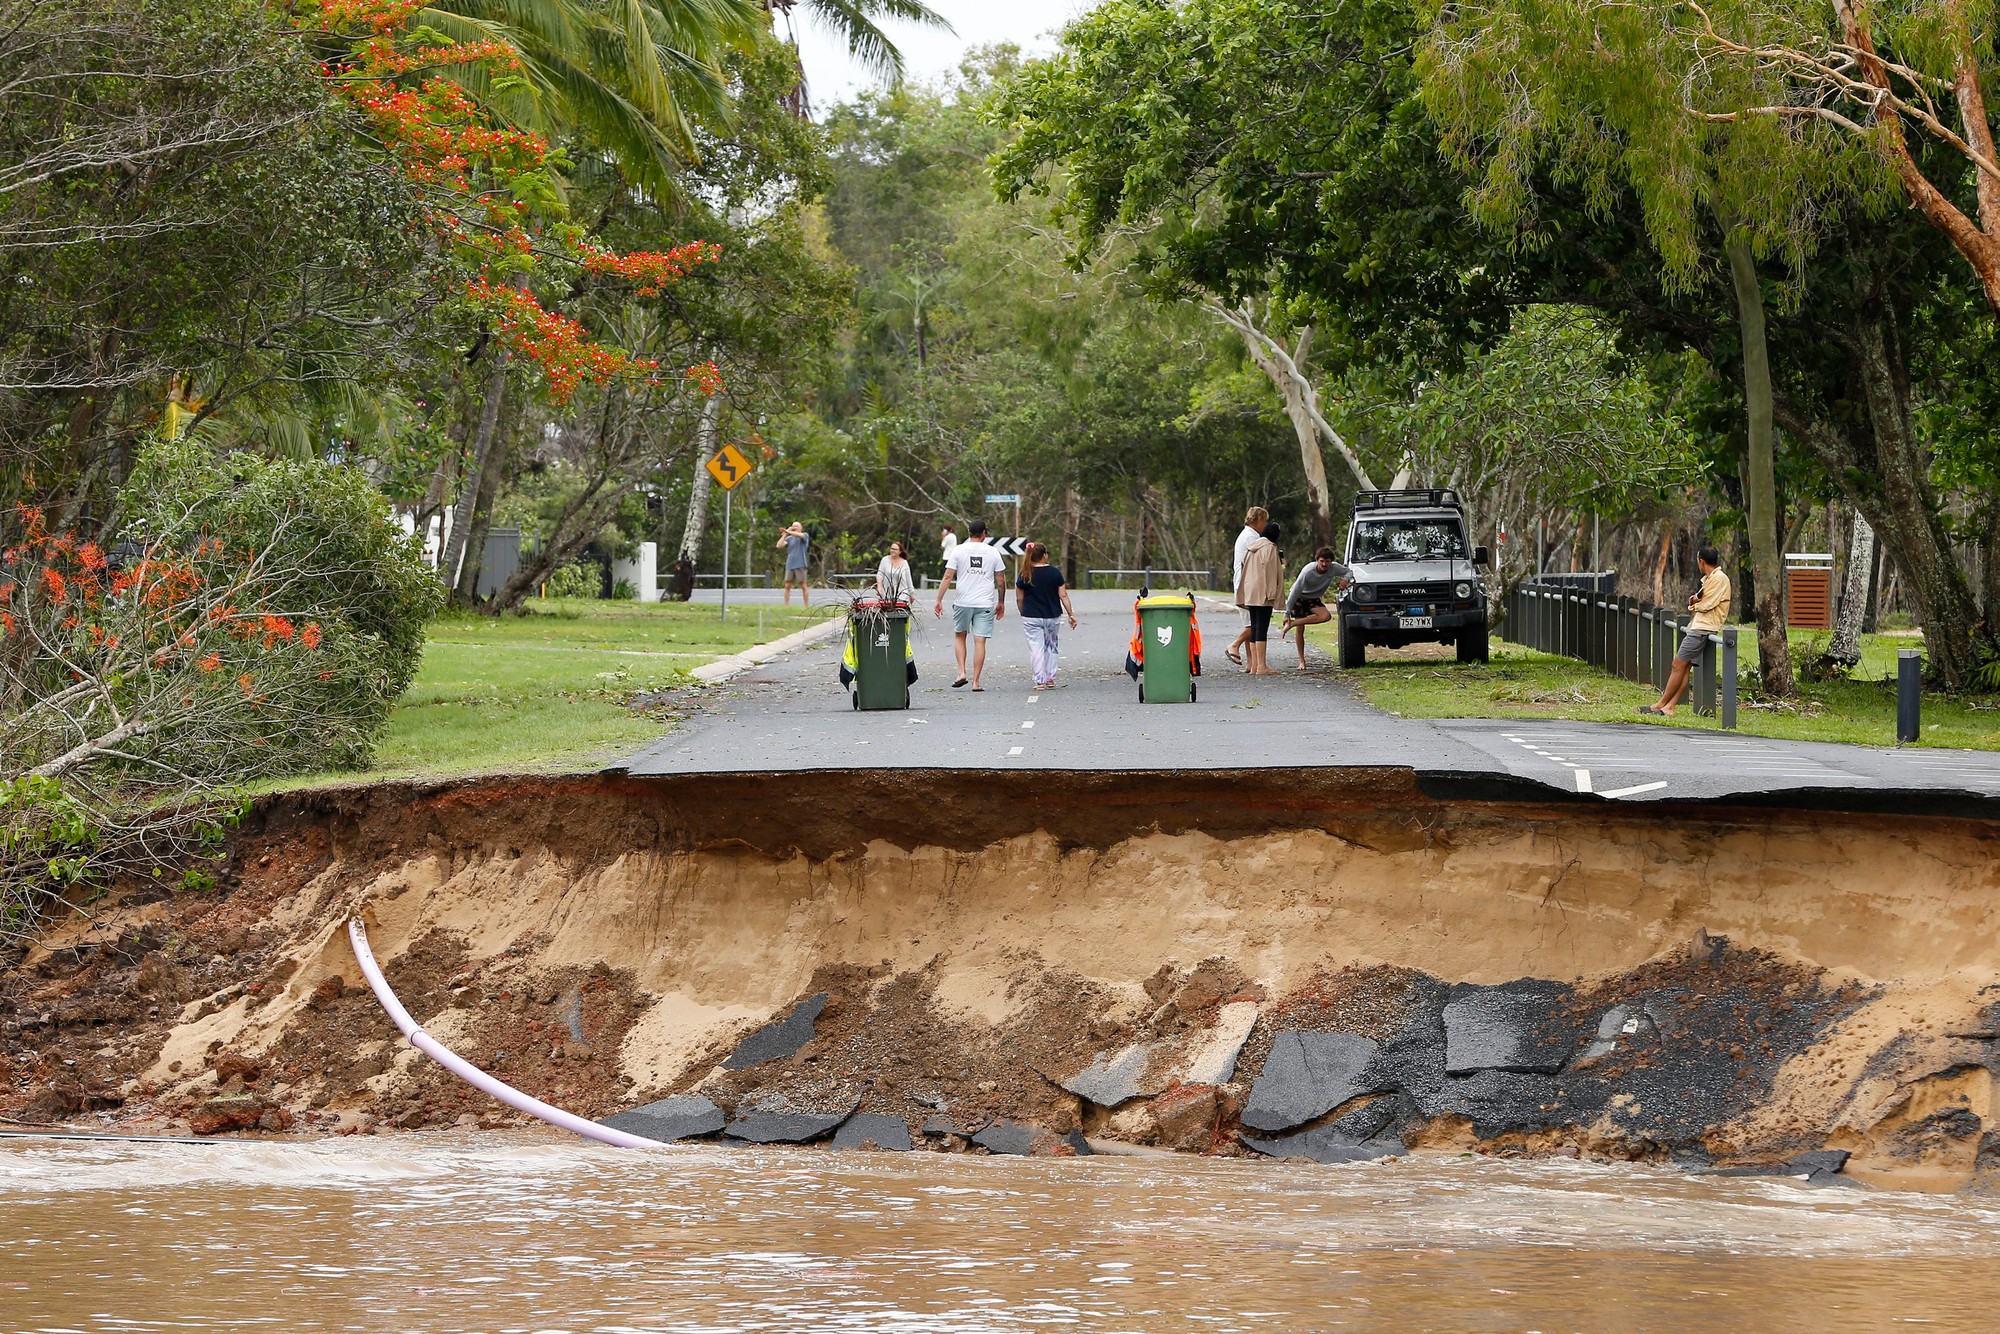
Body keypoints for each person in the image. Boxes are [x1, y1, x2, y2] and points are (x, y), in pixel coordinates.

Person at [1641, 546, 1731, 718]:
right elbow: (1698, 597)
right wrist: (1694, 601)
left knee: (1677, 664)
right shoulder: (1710, 579)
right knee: (1684, 667)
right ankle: (1669, 707)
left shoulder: (1719, 579)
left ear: (1701, 561)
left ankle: (1660, 704)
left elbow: (1706, 603)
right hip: (1699, 625)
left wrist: (1693, 604)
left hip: (1703, 627)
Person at [933, 518, 1007, 690]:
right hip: (985, 602)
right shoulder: (993, 552)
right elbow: (1001, 579)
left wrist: (939, 599)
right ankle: (976, 682)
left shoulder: (958, 550)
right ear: (984, 534)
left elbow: (948, 576)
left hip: (963, 601)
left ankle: (961, 672)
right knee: (980, 641)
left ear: (968, 532)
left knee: (960, 635)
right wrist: (1001, 602)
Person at [1015, 541, 1078, 689]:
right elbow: (1063, 595)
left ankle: (1040, 680)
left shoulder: (1024, 574)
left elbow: (1019, 598)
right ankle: (1050, 677)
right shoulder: (1054, 573)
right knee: (1051, 645)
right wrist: (1071, 614)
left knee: (1036, 647)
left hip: (1031, 616)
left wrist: (1022, 612)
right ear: (1044, 555)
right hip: (1052, 615)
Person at [1280, 546, 1353, 669]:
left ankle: (1293, 623)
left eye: (1327, 561)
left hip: (1313, 598)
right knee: (1300, 630)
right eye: (1322, 561)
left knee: (1326, 616)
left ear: (1331, 562)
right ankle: (1301, 661)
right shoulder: (1308, 571)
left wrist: (1344, 580)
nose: (1324, 564)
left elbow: (1349, 571)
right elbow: (1295, 591)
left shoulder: (1334, 568)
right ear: (1317, 560)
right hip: (1299, 596)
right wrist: (1287, 612)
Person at [1236, 520, 1283, 676]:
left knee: (1255, 626)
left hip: (1250, 591)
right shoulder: (1269, 548)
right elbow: (1270, 572)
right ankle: (1261, 666)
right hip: (1263, 592)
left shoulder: (1253, 547)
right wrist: (1272, 594)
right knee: (1262, 627)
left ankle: (1255, 665)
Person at [1226, 506, 1269, 668]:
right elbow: (1260, 560)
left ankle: (1252, 663)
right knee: (1255, 624)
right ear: (1258, 519)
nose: (1264, 525)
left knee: (1249, 623)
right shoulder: (1252, 537)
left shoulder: (1247, 535)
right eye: (1264, 521)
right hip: (1246, 586)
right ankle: (1234, 645)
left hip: (1242, 584)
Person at [775, 521, 810, 606]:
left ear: (801, 528)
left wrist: (788, 531)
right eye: (793, 526)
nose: (795, 528)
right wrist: (785, 534)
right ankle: (786, 606)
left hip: (800, 564)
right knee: (787, 586)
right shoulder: (789, 538)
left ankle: (806, 606)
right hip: (790, 564)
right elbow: (779, 545)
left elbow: (799, 535)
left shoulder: (804, 535)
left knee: (803, 585)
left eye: (797, 526)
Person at [876, 539, 915, 605]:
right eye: (891, 549)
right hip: (887, 595)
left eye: (895, 549)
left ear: (900, 552)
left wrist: (911, 593)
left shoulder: (904, 563)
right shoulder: (884, 560)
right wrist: (879, 587)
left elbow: (909, 580)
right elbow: (880, 575)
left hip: (902, 596)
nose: (892, 551)